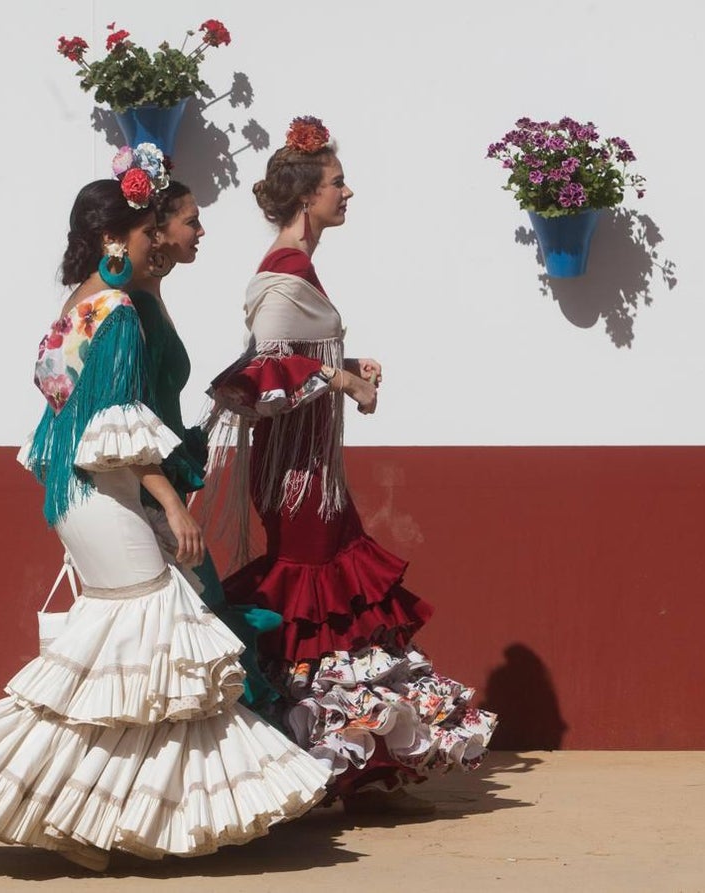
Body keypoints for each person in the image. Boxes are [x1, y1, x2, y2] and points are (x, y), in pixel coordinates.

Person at [0, 145, 329, 871]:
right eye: (145, 229)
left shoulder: (77, 305)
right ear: (115, 238)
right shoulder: (121, 313)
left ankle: (88, 820)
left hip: (76, 494)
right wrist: (173, 504)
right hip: (110, 493)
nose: (154, 238)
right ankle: (69, 803)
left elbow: (58, 402)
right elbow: (113, 425)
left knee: (125, 664)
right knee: (150, 646)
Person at [208, 117, 498, 816]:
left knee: (337, 596)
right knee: (318, 597)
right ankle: (309, 752)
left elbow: (297, 356)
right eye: (338, 182)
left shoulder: (298, 269)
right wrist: (342, 382)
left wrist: (347, 362)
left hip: (313, 477)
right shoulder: (282, 272)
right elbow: (262, 371)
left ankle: (342, 754)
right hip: (298, 480)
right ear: (307, 196)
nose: (348, 192)